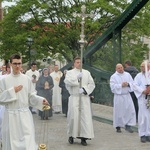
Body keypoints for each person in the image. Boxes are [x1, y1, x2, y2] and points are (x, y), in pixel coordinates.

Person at [0, 54, 49, 150]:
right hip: (10, 116)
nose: (17, 66)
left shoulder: (26, 79)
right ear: (10, 64)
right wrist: (12, 91)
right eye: (15, 64)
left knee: (28, 142)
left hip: (24, 115)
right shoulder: (4, 81)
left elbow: (31, 97)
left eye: (19, 63)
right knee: (11, 143)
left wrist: (40, 100)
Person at [64, 57, 95, 146]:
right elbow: (67, 82)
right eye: (77, 62)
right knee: (74, 117)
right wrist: (76, 78)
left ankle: (84, 137)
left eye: (80, 62)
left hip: (84, 98)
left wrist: (85, 90)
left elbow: (92, 84)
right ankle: (71, 135)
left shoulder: (86, 72)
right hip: (74, 97)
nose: (79, 64)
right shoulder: (70, 73)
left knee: (84, 118)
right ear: (74, 63)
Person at [110, 63, 136, 133]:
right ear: (116, 69)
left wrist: (128, 84)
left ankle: (129, 125)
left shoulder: (127, 75)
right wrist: (121, 85)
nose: (120, 69)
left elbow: (133, 83)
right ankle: (118, 126)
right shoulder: (113, 77)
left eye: (121, 67)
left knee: (130, 111)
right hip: (119, 96)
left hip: (127, 95)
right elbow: (112, 87)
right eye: (118, 68)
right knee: (119, 112)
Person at [132, 61, 150, 143]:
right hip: (142, 98)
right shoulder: (139, 76)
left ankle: (148, 134)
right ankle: (142, 134)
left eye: (143, 66)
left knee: (149, 117)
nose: (141, 68)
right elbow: (134, 85)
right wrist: (142, 91)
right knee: (143, 116)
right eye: (141, 66)